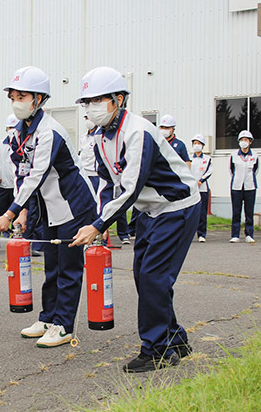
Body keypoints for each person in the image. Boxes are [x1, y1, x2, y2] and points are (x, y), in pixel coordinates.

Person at [71, 66, 201, 373]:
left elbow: (130, 187)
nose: (91, 108)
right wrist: (99, 221)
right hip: (149, 211)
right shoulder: (101, 138)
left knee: (154, 276)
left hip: (176, 207)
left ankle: (156, 349)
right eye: (86, 102)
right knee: (144, 274)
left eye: (97, 100)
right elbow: (106, 184)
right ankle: (174, 340)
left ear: (118, 99)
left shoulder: (137, 131)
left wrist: (98, 225)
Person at [0, 66, 97, 348]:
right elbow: (20, 175)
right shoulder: (18, 131)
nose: (16, 101)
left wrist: (9, 211)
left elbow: (37, 174)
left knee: (68, 267)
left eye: (22, 95)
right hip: (48, 207)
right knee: (51, 265)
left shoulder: (50, 131)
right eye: (13, 95)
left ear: (39, 99)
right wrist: (23, 212)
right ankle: (48, 317)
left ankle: (64, 325)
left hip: (73, 206)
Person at [80, 115, 129, 244]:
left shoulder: (108, 136)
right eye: (85, 117)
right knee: (94, 204)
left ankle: (122, 234)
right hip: (89, 174)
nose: (88, 120)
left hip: (105, 176)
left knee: (115, 203)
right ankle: (96, 234)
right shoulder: (87, 138)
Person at [229, 130, 258, 243]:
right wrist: (238, 179)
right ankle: (235, 234)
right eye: (241, 140)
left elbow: (255, 170)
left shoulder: (254, 156)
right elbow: (231, 170)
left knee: (249, 211)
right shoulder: (234, 155)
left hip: (250, 187)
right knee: (236, 211)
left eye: (246, 140)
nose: (243, 142)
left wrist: (248, 180)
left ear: (250, 142)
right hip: (236, 187)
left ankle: (249, 234)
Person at [0, 114, 19, 241]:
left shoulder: (23, 144)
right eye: (9, 127)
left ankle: (17, 235)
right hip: (3, 186)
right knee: (0, 211)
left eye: (14, 127)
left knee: (17, 213)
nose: (12, 130)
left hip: (17, 187)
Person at [190, 134, 213, 242]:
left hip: (202, 188)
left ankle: (201, 234)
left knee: (202, 212)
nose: (196, 145)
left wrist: (201, 180)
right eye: (195, 143)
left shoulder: (207, 159)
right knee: (190, 212)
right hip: (191, 189)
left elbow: (209, 171)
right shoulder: (189, 157)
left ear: (202, 145)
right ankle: (189, 234)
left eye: (198, 143)